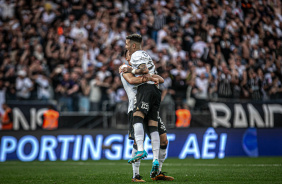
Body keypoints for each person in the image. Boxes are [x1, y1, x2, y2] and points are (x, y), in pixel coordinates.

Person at [120, 50, 174, 182]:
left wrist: (149, 76)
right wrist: (148, 77)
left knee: (164, 140)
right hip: (135, 106)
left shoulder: (143, 68)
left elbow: (160, 79)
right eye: (129, 54)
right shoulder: (124, 69)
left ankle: (158, 172)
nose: (132, 56)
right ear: (126, 57)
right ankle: (136, 175)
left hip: (149, 104)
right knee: (137, 142)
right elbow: (132, 80)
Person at [122, 34, 161, 178]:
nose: (127, 49)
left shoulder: (136, 56)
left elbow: (143, 71)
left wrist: (137, 72)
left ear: (132, 46)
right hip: (152, 94)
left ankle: (142, 152)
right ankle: (152, 163)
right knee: (153, 127)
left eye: (127, 45)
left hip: (143, 96)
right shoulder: (143, 55)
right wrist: (151, 77)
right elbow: (156, 77)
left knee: (140, 122)